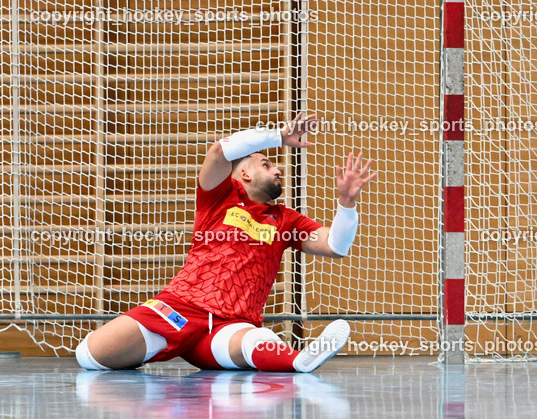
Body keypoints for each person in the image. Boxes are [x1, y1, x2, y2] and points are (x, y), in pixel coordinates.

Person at [75, 113, 375, 372]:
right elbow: (218, 151)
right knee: (89, 355)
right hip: (181, 307)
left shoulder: (287, 220)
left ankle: (297, 361)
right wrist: (279, 135)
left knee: (256, 341)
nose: (278, 170)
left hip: (231, 323)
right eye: (267, 164)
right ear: (243, 173)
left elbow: (335, 245)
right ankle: (157, 347)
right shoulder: (219, 195)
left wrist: (347, 204)